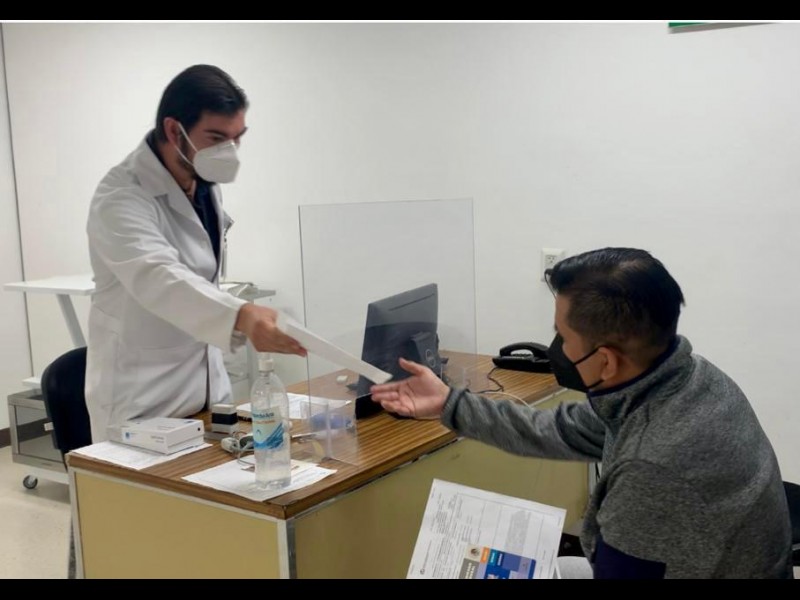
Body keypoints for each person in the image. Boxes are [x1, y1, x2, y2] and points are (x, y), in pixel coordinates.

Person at [371, 247, 793, 579]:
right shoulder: (688, 377)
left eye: (562, 335)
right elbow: (564, 429)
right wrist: (450, 403)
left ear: (605, 360)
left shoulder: (652, 470)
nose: (558, 348)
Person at [85, 65, 306, 443]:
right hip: (142, 398)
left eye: (236, 139)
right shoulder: (120, 197)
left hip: (206, 390)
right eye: (216, 138)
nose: (229, 152)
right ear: (174, 130)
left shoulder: (203, 184)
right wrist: (242, 315)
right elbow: (158, 276)